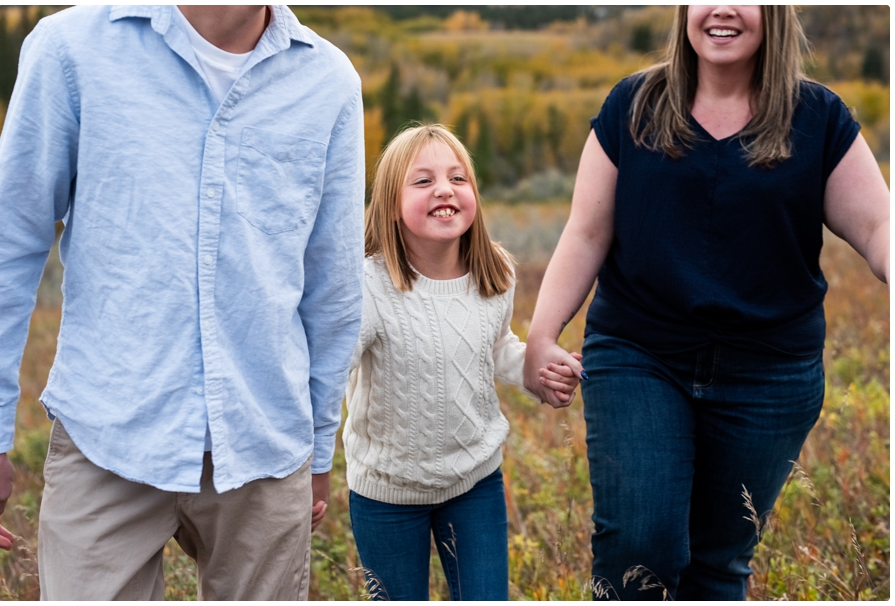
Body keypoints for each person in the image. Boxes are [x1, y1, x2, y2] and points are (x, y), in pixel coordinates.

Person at [0, 5, 364, 599]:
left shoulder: (329, 82)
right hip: (107, 436)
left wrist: (319, 450)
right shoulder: (70, 49)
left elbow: (333, 289)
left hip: (265, 444)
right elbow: (9, 249)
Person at [524, 6, 888, 600]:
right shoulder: (633, 106)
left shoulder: (818, 117)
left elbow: (878, 227)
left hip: (769, 374)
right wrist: (542, 335)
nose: (721, 9)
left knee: (717, 566)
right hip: (641, 354)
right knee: (640, 550)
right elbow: (586, 233)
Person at [345, 124, 581, 601]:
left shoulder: (495, 271)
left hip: (474, 481)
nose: (444, 190)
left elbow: (496, 347)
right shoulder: (367, 285)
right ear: (390, 204)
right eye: (422, 181)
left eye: (458, 178)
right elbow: (328, 375)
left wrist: (535, 373)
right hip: (387, 492)